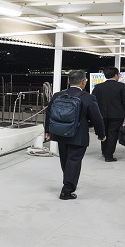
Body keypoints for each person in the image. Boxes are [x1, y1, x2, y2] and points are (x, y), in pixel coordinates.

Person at [44, 70, 106, 200]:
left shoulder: (57, 95)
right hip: (78, 135)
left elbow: (49, 113)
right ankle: (67, 190)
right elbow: (97, 118)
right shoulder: (88, 97)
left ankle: (69, 181)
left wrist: (48, 131)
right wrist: (101, 134)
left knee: (66, 160)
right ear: (83, 82)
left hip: (60, 133)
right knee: (74, 161)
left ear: (68, 81)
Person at [91, 66, 125, 162]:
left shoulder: (98, 87)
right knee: (113, 133)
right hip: (117, 115)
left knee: (103, 133)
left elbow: (93, 102)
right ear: (116, 75)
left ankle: (104, 151)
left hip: (101, 115)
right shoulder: (122, 86)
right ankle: (109, 155)